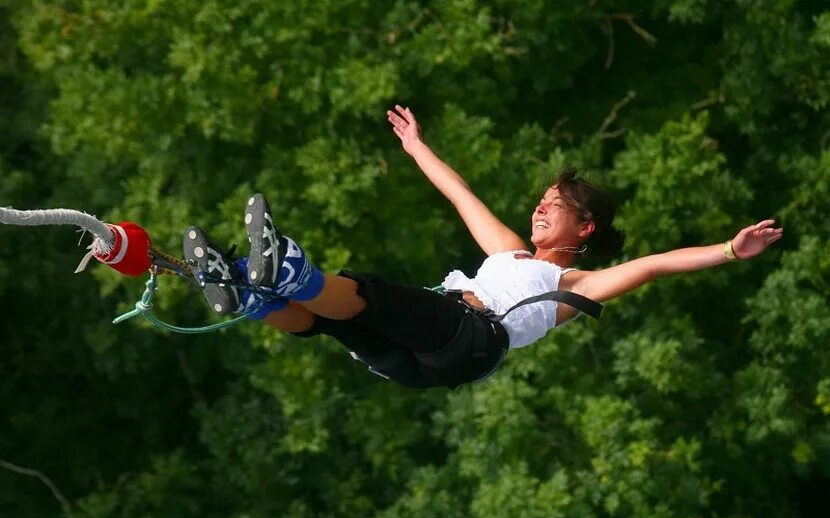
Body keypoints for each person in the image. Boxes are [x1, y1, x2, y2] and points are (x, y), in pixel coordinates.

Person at [182, 105, 783, 390]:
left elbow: (653, 266)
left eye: (554, 205)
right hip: (431, 361)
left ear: (585, 229)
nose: (539, 208)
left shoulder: (573, 286)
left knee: (367, 291)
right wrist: (417, 147)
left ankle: (284, 270)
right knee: (328, 318)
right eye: (540, 201)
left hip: (468, 337)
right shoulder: (510, 253)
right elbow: (460, 194)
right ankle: (249, 298)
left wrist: (729, 251)